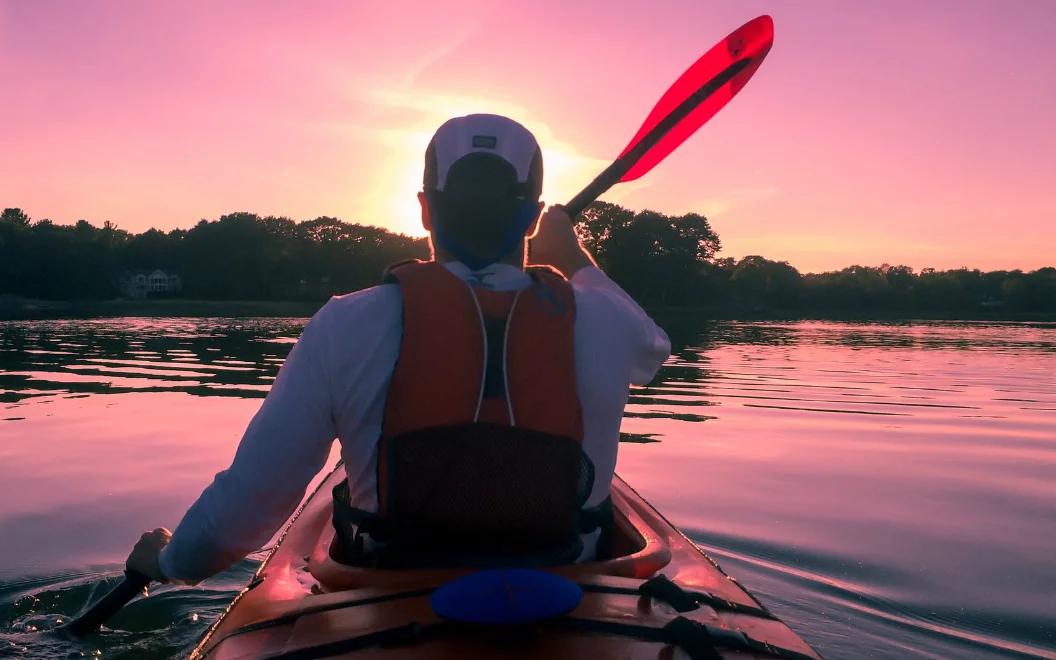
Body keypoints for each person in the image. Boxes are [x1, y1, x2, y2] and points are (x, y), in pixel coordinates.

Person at [126, 113, 671, 582]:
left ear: (424, 209)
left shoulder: (345, 324)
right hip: (570, 591)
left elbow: (246, 508)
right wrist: (572, 254)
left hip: (390, 591)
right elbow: (654, 349)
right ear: (531, 217)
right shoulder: (604, 319)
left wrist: (168, 562)